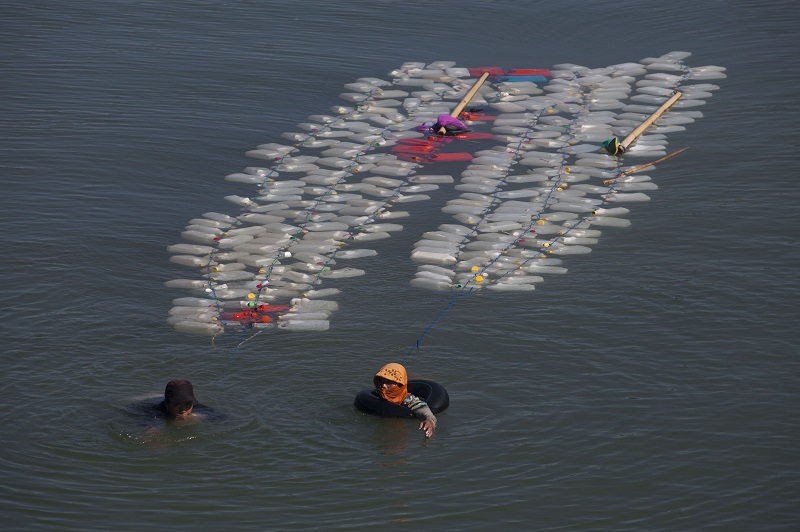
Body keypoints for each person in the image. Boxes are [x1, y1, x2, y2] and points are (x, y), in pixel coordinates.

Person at [373, 363, 437, 437]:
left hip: (398, 432)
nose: (383, 385)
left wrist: (429, 421)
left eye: (389, 382)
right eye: (381, 381)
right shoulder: (376, 395)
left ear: (399, 384)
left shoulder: (408, 399)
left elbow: (423, 409)